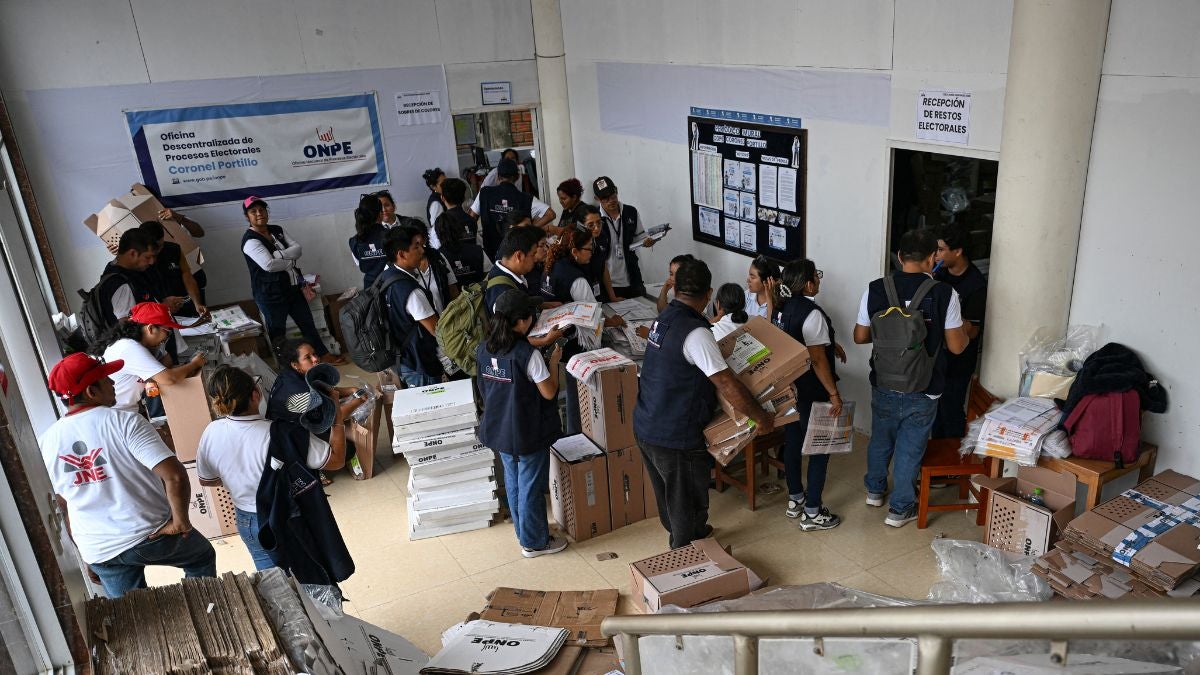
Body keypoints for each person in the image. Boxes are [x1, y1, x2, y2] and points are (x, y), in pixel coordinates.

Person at [38, 352, 216, 598]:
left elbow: (63, 505)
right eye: (106, 379)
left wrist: (87, 555)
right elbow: (174, 476)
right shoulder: (125, 422)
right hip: (151, 534)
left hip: (100, 550)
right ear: (91, 391)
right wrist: (180, 521)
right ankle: (206, 607)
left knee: (131, 609)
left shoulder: (46, 442)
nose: (113, 383)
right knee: (201, 557)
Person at [633, 259, 774, 549]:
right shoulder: (696, 333)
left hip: (647, 422)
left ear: (675, 289)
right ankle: (686, 555)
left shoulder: (664, 318)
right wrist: (761, 417)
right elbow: (727, 384)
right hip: (674, 434)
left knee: (671, 496)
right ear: (709, 294)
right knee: (685, 500)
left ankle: (694, 533)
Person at [854, 229, 968, 528]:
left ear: (900, 256)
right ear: (932, 258)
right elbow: (957, 347)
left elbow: (860, 336)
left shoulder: (875, 289)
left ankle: (875, 491)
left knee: (881, 439)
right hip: (924, 386)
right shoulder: (945, 294)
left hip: (884, 380)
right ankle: (900, 509)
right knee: (910, 448)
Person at [197, 365, 347, 570]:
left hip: (246, 519)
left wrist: (241, 479)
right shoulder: (283, 434)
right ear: (255, 395)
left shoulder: (211, 431)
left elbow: (207, 479)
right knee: (311, 576)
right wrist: (337, 418)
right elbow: (336, 460)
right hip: (286, 519)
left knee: (274, 582)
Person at [476, 289, 567, 558]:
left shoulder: (484, 348)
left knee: (514, 481)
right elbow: (548, 392)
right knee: (530, 486)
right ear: (522, 322)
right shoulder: (528, 355)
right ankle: (535, 542)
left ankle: (523, 532)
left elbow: (484, 388)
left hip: (499, 428)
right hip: (527, 432)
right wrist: (553, 363)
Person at [770, 259, 846, 531]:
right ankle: (813, 513)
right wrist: (834, 394)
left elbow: (797, 341)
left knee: (793, 442)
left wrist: (830, 345)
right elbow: (816, 359)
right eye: (817, 275)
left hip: (789, 389)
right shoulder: (811, 313)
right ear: (808, 284)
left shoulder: (780, 308)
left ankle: (796, 499)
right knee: (820, 448)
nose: (819, 279)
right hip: (813, 390)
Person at [239, 196, 344, 364]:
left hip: (293, 288)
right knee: (278, 333)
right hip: (270, 295)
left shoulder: (277, 230)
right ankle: (286, 366)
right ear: (247, 216)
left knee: (308, 324)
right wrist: (290, 262)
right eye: (253, 211)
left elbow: (297, 249)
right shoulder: (250, 240)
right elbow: (269, 265)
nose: (259, 213)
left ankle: (322, 355)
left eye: (262, 209)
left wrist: (279, 255)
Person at [268, 339, 364, 485]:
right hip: (288, 442)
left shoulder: (291, 375)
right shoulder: (298, 394)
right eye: (308, 357)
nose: (315, 359)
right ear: (295, 365)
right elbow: (332, 417)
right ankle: (309, 469)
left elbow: (322, 390)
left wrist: (349, 390)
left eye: (314, 354)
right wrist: (357, 402)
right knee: (348, 449)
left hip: (294, 428)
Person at [99, 302, 207, 415]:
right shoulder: (129, 347)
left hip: (125, 410)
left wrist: (154, 375)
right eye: (167, 332)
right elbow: (169, 378)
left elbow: (167, 360)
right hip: (114, 413)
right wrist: (194, 364)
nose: (167, 337)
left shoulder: (144, 344)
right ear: (150, 328)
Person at [932, 224, 988, 438]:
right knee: (934, 410)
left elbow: (972, 332)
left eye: (941, 250)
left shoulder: (975, 284)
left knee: (951, 409)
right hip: (936, 356)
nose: (936, 256)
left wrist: (951, 312)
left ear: (957, 251)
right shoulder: (937, 274)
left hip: (959, 361)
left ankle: (953, 454)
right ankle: (936, 453)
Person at [379, 226, 445, 387]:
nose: (422, 250)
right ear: (401, 254)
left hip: (401, 359)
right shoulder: (411, 291)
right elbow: (436, 330)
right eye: (416, 247)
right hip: (420, 364)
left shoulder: (386, 276)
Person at [470, 158, 555, 259]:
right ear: (518, 176)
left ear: (498, 176)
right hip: (517, 256)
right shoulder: (526, 198)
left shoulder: (485, 193)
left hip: (490, 253)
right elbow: (551, 214)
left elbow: (472, 217)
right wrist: (529, 229)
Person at [593, 176, 655, 299]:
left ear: (616, 191)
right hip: (607, 282)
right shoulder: (595, 218)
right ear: (597, 199)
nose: (611, 201)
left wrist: (647, 241)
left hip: (631, 277)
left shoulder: (630, 212)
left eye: (613, 196)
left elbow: (639, 238)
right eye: (605, 199)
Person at [140, 220, 205, 317]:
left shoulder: (174, 249)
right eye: (154, 248)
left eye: (160, 246)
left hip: (183, 305)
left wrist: (197, 304)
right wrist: (161, 306)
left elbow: (187, 276)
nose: (158, 250)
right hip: (157, 312)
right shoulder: (138, 260)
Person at [97, 228, 159, 328]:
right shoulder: (121, 285)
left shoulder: (125, 269)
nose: (152, 262)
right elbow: (129, 328)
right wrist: (163, 309)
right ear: (133, 253)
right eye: (148, 257)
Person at [435, 179, 491, 288]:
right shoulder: (471, 220)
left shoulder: (440, 222)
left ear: (443, 198)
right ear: (464, 198)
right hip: (476, 276)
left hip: (453, 280)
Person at [156, 207, 209, 305]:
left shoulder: (171, 216)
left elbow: (200, 232)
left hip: (193, 271)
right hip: (169, 282)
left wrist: (178, 217)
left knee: (199, 306)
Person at [577, 206, 619, 303]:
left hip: (599, 289)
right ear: (580, 225)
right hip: (582, 293)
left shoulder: (602, 237)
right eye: (590, 225)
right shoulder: (576, 242)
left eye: (599, 223)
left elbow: (603, 266)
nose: (596, 228)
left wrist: (613, 297)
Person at [347, 193, 388, 287]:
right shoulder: (392, 235)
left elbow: (359, 264)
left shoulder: (354, 241)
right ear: (380, 214)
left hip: (370, 288)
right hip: (391, 286)